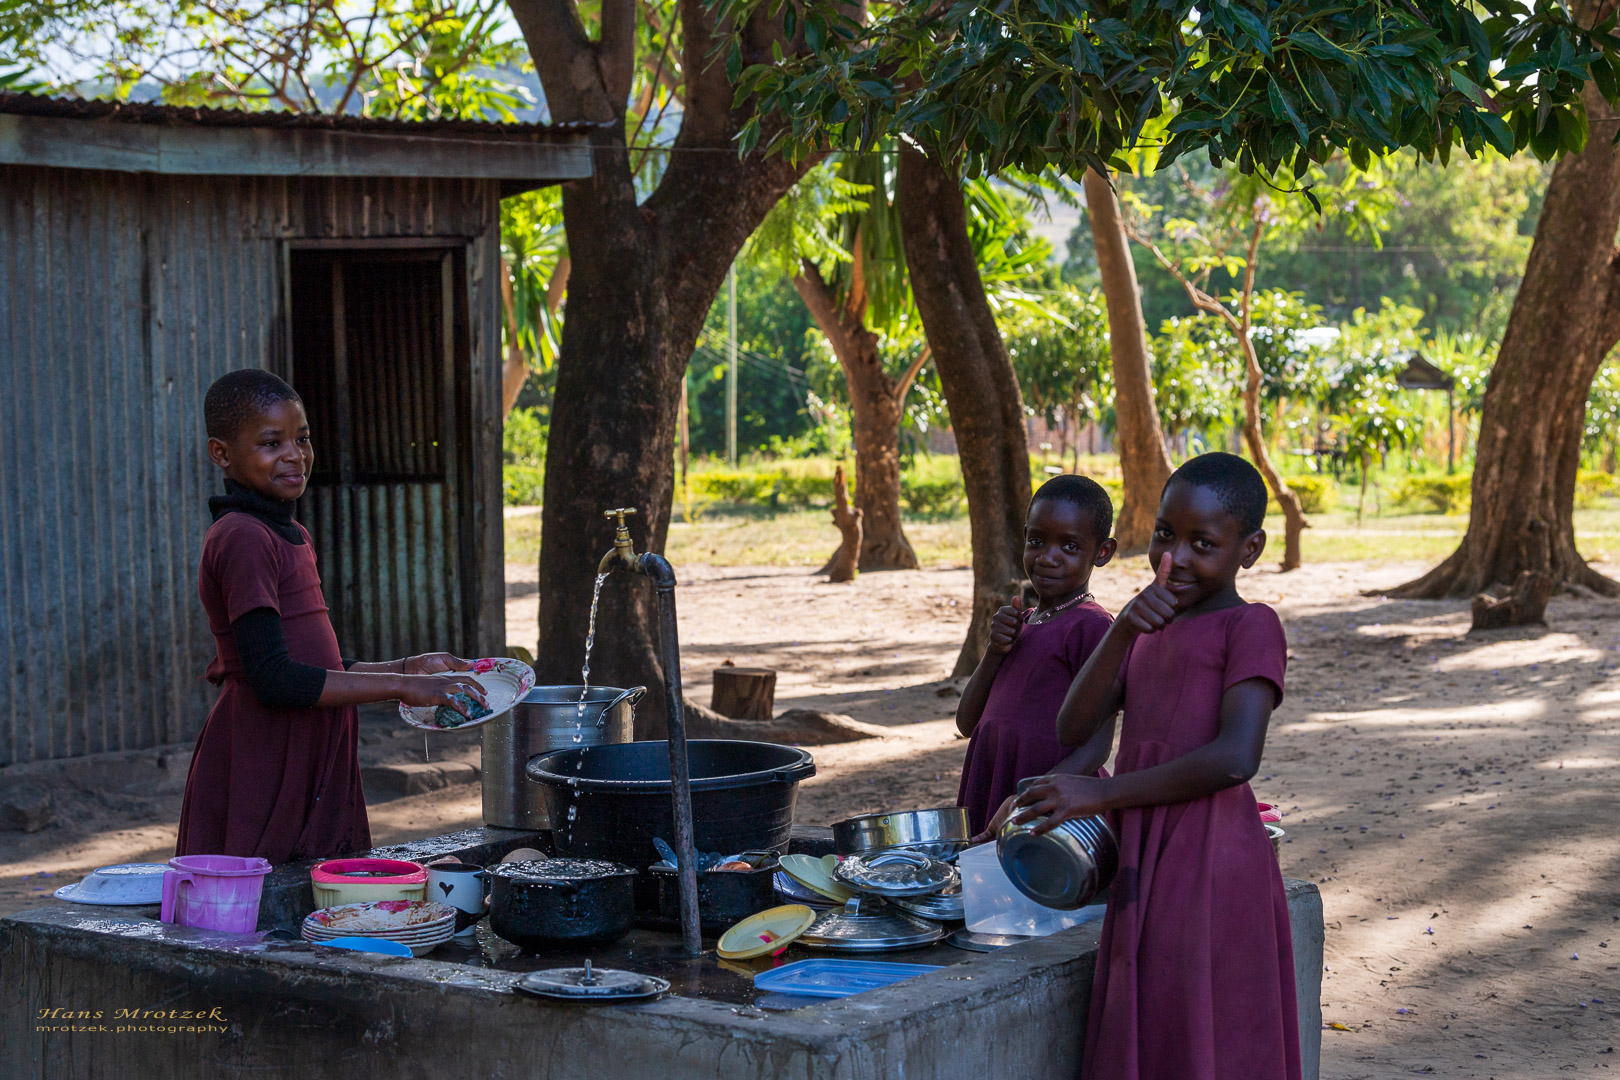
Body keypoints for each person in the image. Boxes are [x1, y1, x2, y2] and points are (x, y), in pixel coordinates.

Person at [1015, 452, 1300, 1080]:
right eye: (1165, 535)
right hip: (1144, 850)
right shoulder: (1145, 627)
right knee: (1147, 1010)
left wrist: (1101, 796)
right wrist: (1121, 630)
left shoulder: (1250, 626)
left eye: (1204, 543)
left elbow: (1236, 758)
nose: (1176, 558)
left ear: (1249, 550)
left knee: (1199, 1020)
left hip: (1209, 854)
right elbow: (1071, 727)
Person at [176, 369, 489, 865]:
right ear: (222, 453)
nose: (294, 455)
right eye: (271, 443)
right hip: (268, 752)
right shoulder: (243, 537)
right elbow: (273, 678)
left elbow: (318, 666)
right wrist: (401, 687)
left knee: (322, 888)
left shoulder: (291, 534)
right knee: (266, 897)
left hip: (312, 744)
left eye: (302, 439)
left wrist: (407, 668)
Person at [955, 474, 1117, 840]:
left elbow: (1097, 746)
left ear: (1102, 552)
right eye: (1037, 541)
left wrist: (1030, 800)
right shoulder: (1021, 624)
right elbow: (967, 722)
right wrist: (995, 651)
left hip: (1047, 808)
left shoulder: (1092, 626)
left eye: (1069, 546)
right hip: (994, 786)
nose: (1047, 557)